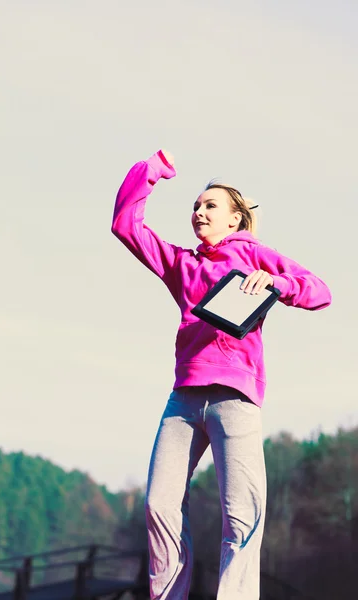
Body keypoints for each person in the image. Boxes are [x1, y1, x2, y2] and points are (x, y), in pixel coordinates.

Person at [111, 149, 331, 599]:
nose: (199, 212)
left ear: (236, 220)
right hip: (185, 397)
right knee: (159, 504)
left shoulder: (256, 257)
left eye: (210, 205)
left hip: (236, 396)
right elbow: (126, 226)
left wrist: (276, 283)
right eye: (195, 206)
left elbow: (319, 292)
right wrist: (150, 170)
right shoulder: (182, 265)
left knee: (242, 515)